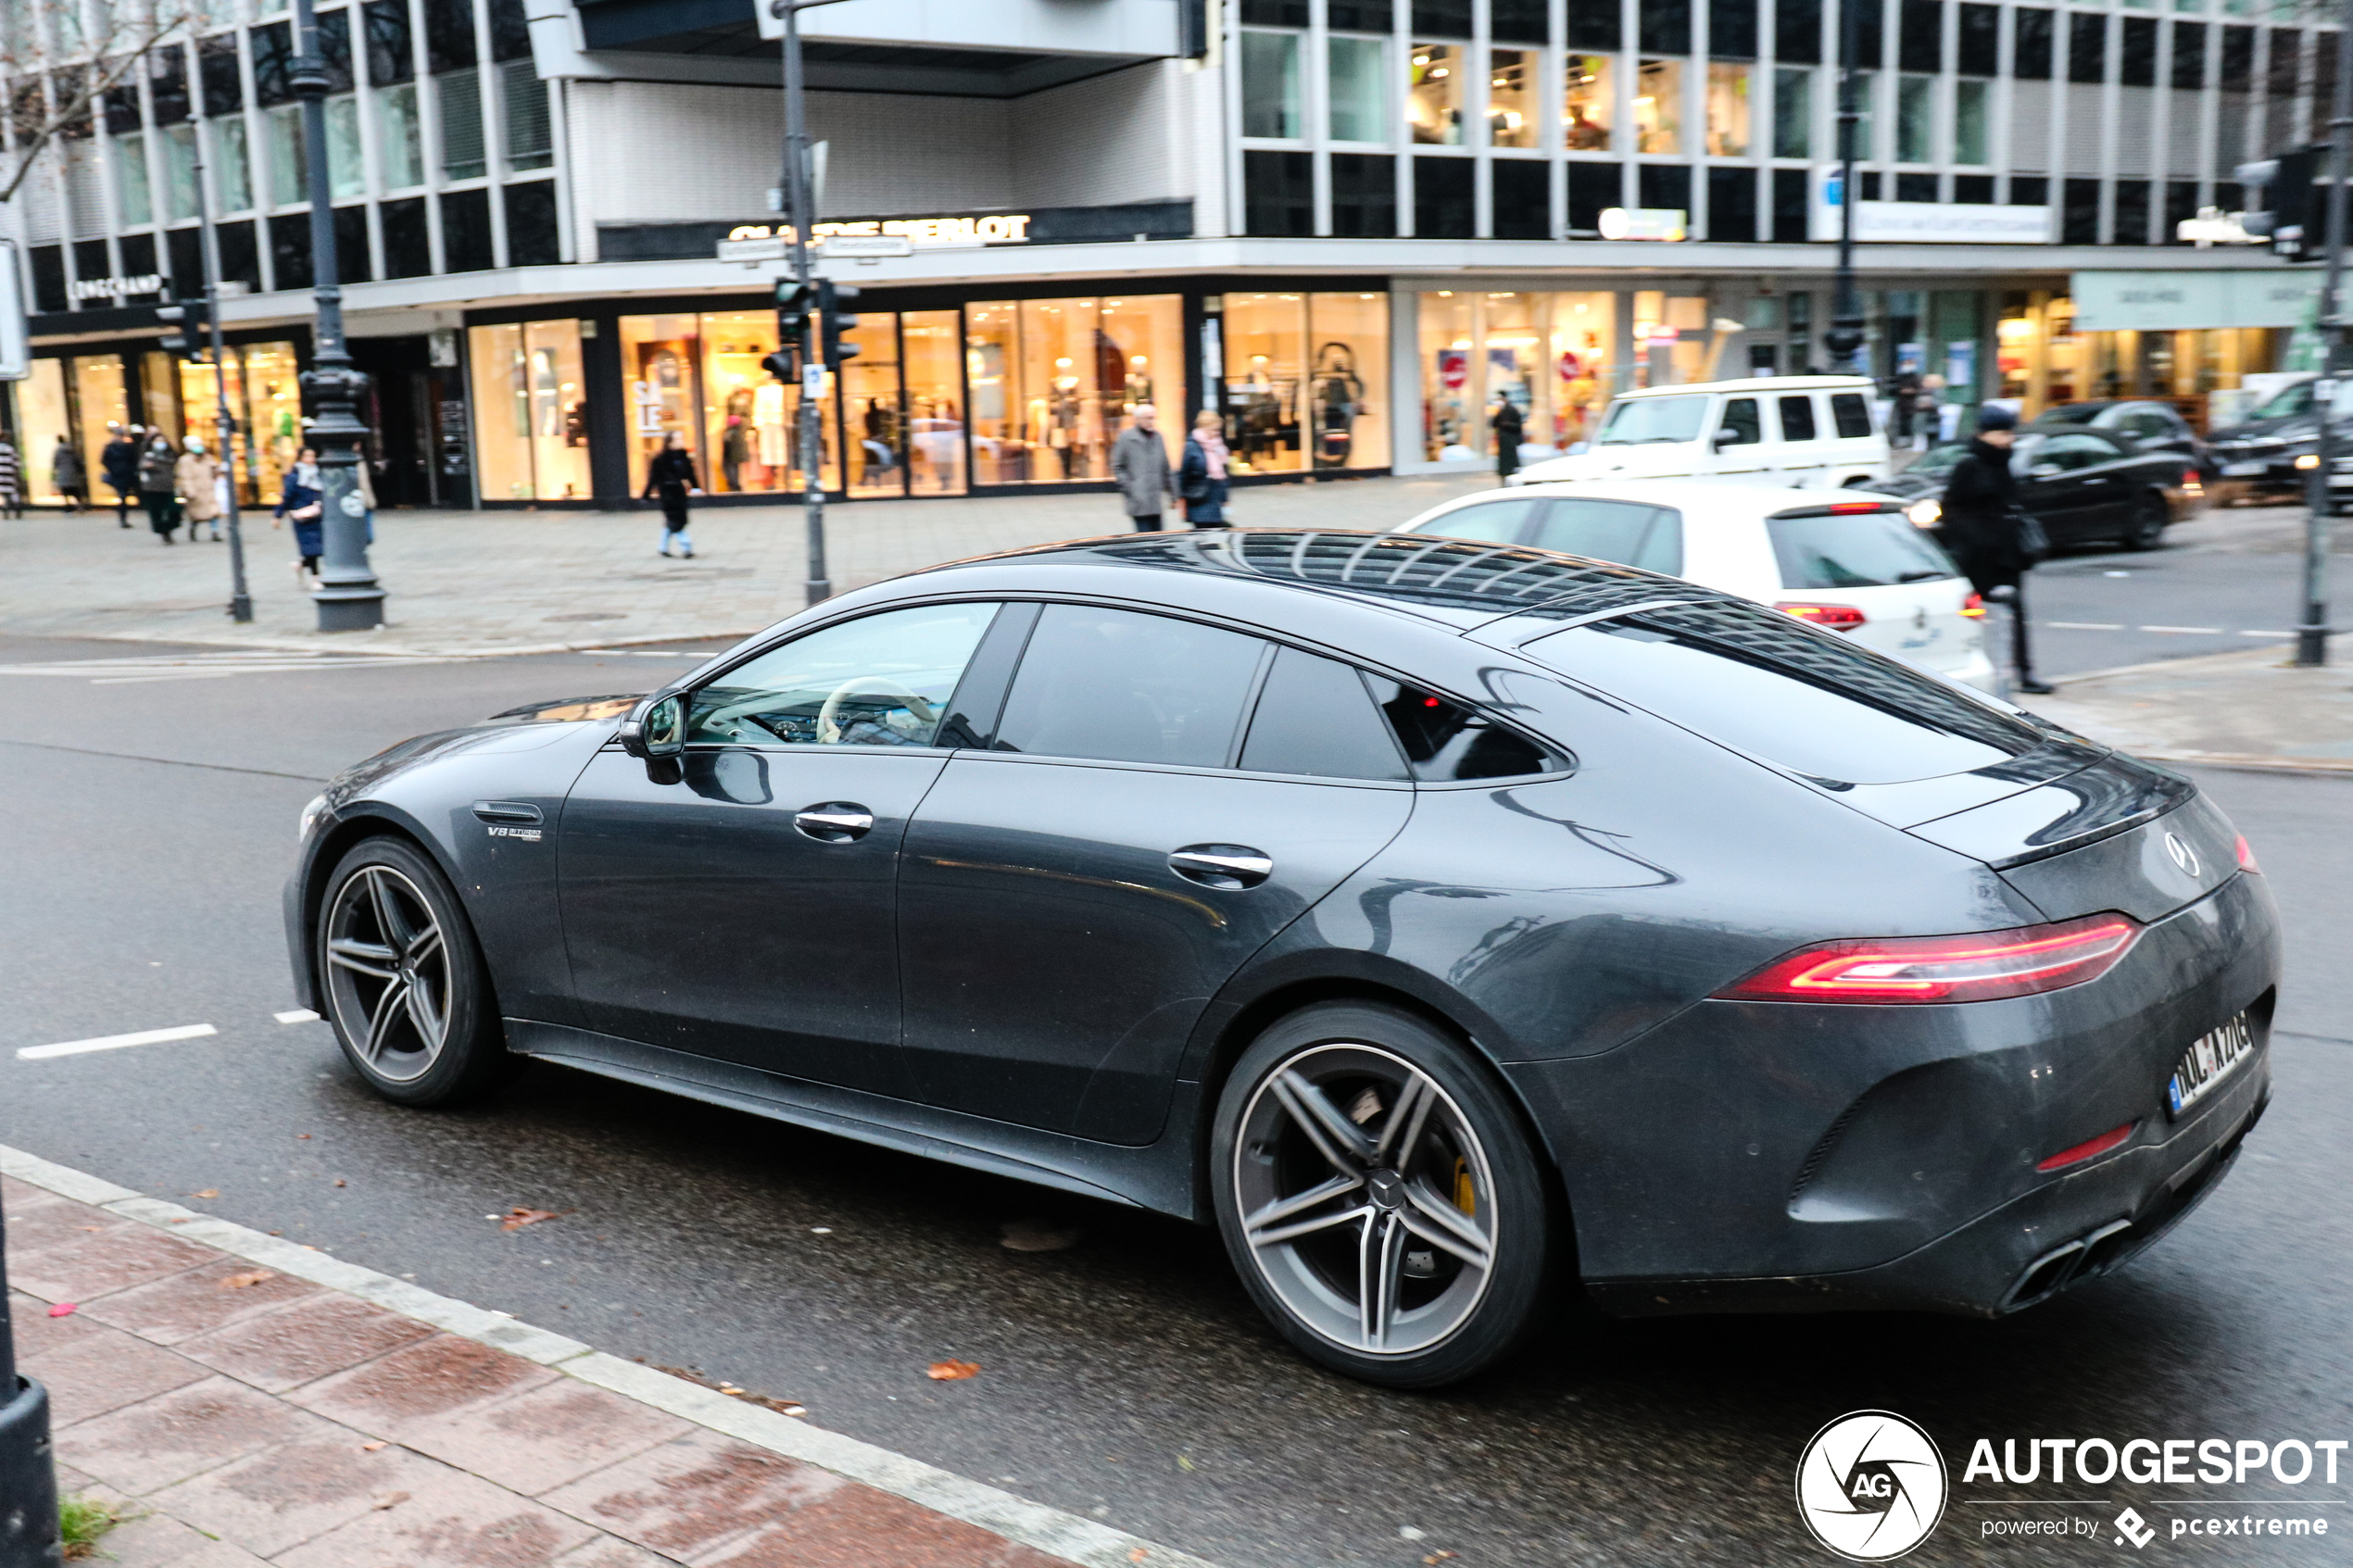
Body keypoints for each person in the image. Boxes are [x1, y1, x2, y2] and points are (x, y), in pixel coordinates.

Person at [1940, 405, 2053, 695]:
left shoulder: (2004, 464)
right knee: (1968, 615)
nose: (2007, 439)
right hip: (1976, 554)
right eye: (2001, 433)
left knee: (2015, 614)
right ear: (1984, 434)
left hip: (2006, 553)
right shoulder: (1969, 465)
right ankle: (1961, 671)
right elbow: (1951, 509)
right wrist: (1976, 537)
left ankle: (2025, 673)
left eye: (2009, 433)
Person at [1110, 403, 1175, 533]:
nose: (1152, 421)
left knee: (1159, 537)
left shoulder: (1158, 437)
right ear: (1138, 419)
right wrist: (1130, 487)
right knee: (1144, 537)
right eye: (1148, 418)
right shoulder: (1126, 438)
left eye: (1153, 418)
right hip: (1138, 498)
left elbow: (1165, 467)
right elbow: (1118, 466)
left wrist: (1173, 493)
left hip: (1156, 498)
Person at [643, 430, 701, 558]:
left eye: (681, 438)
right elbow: (653, 477)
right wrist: (646, 494)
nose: (681, 441)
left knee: (675, 519)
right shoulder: (660, 458)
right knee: (675, 519)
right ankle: (686, 546)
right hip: (667, 492)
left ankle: (662, 547)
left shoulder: (683, 456)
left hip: (679, 491)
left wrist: (696, 487)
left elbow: (690, 474)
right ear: (669, 443)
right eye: (678, 439)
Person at [274, 446, 325, 585]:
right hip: (302, 517)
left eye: (313, 456)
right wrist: (278, 515)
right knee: (311, 549)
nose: (311, 459)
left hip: (319, 515)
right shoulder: (294, 477)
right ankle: (316, 578)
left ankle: (300, 565)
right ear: (300, 458)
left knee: (321, 547)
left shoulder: (319, 474)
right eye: (307, 456)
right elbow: (287, 497)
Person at [1177, 409, 1231, 529]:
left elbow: (1223, 474)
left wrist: (1225, 499)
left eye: (1218, 430)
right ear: (1204, 428)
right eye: (1214, 429)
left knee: (1215, 534)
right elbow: (1183, 474)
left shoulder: (1218, 446)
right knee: (1204, 536)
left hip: (1215, 499)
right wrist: (1181, 499)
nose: (1216, 433)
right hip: (1198, 499)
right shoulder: (1192, 446)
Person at [138, 431, 182, 543]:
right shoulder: (148, 455)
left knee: (174, 509)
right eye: (157, 441)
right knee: (156, 511)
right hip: (152, 488)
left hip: (168, 487)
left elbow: (174, 466)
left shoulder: (170, 455)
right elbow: (142, 465)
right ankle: (163, 531)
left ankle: (169, 527)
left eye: (162, 441)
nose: (160, 443)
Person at [176, 436, 221, 543]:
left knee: (213, 512)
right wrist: (189, 490)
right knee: (197, 514)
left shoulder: (208, 458)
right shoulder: (185, 460)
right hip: (196, 490)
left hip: (208, 489)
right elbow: (185, 477)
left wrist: (215, 469)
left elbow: (215, 474)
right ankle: (193, 529)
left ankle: (215, 532)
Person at [101, 424, 141, 529]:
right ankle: (123, 518)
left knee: (123, 495)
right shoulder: (111, 447)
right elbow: (104, 460)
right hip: (119, 474)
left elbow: (134, 460)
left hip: (124, 474)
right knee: (122, 495)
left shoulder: (126, 447)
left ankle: (123, 517)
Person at [1492, 396, 1525, 484]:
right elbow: (1494, 423)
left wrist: (1508, 425)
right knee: (1505, 462)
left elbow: (1518, 426)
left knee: (1510, 461)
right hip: (1504, 441)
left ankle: (1510, 475)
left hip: (1510, 440)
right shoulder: (1501, 411)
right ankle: (1505, 475)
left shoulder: (1512, 410)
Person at [52, 435, 86, 512]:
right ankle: (80, 506)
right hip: (73, 473)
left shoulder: (58, 452)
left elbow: (55, 463)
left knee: (65, 492)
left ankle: (68, 508)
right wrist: (80, 472)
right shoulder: (73, 450)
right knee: (75, 491)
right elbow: (78, 461)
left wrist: (54, 474)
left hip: (63, 474)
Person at [0, 433, 21, 520]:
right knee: (13, 493)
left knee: (5, 494)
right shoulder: (10, 449)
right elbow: (16, 463)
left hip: (1, 475)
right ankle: (17, 511)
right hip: (10, 475)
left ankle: (6, 511)